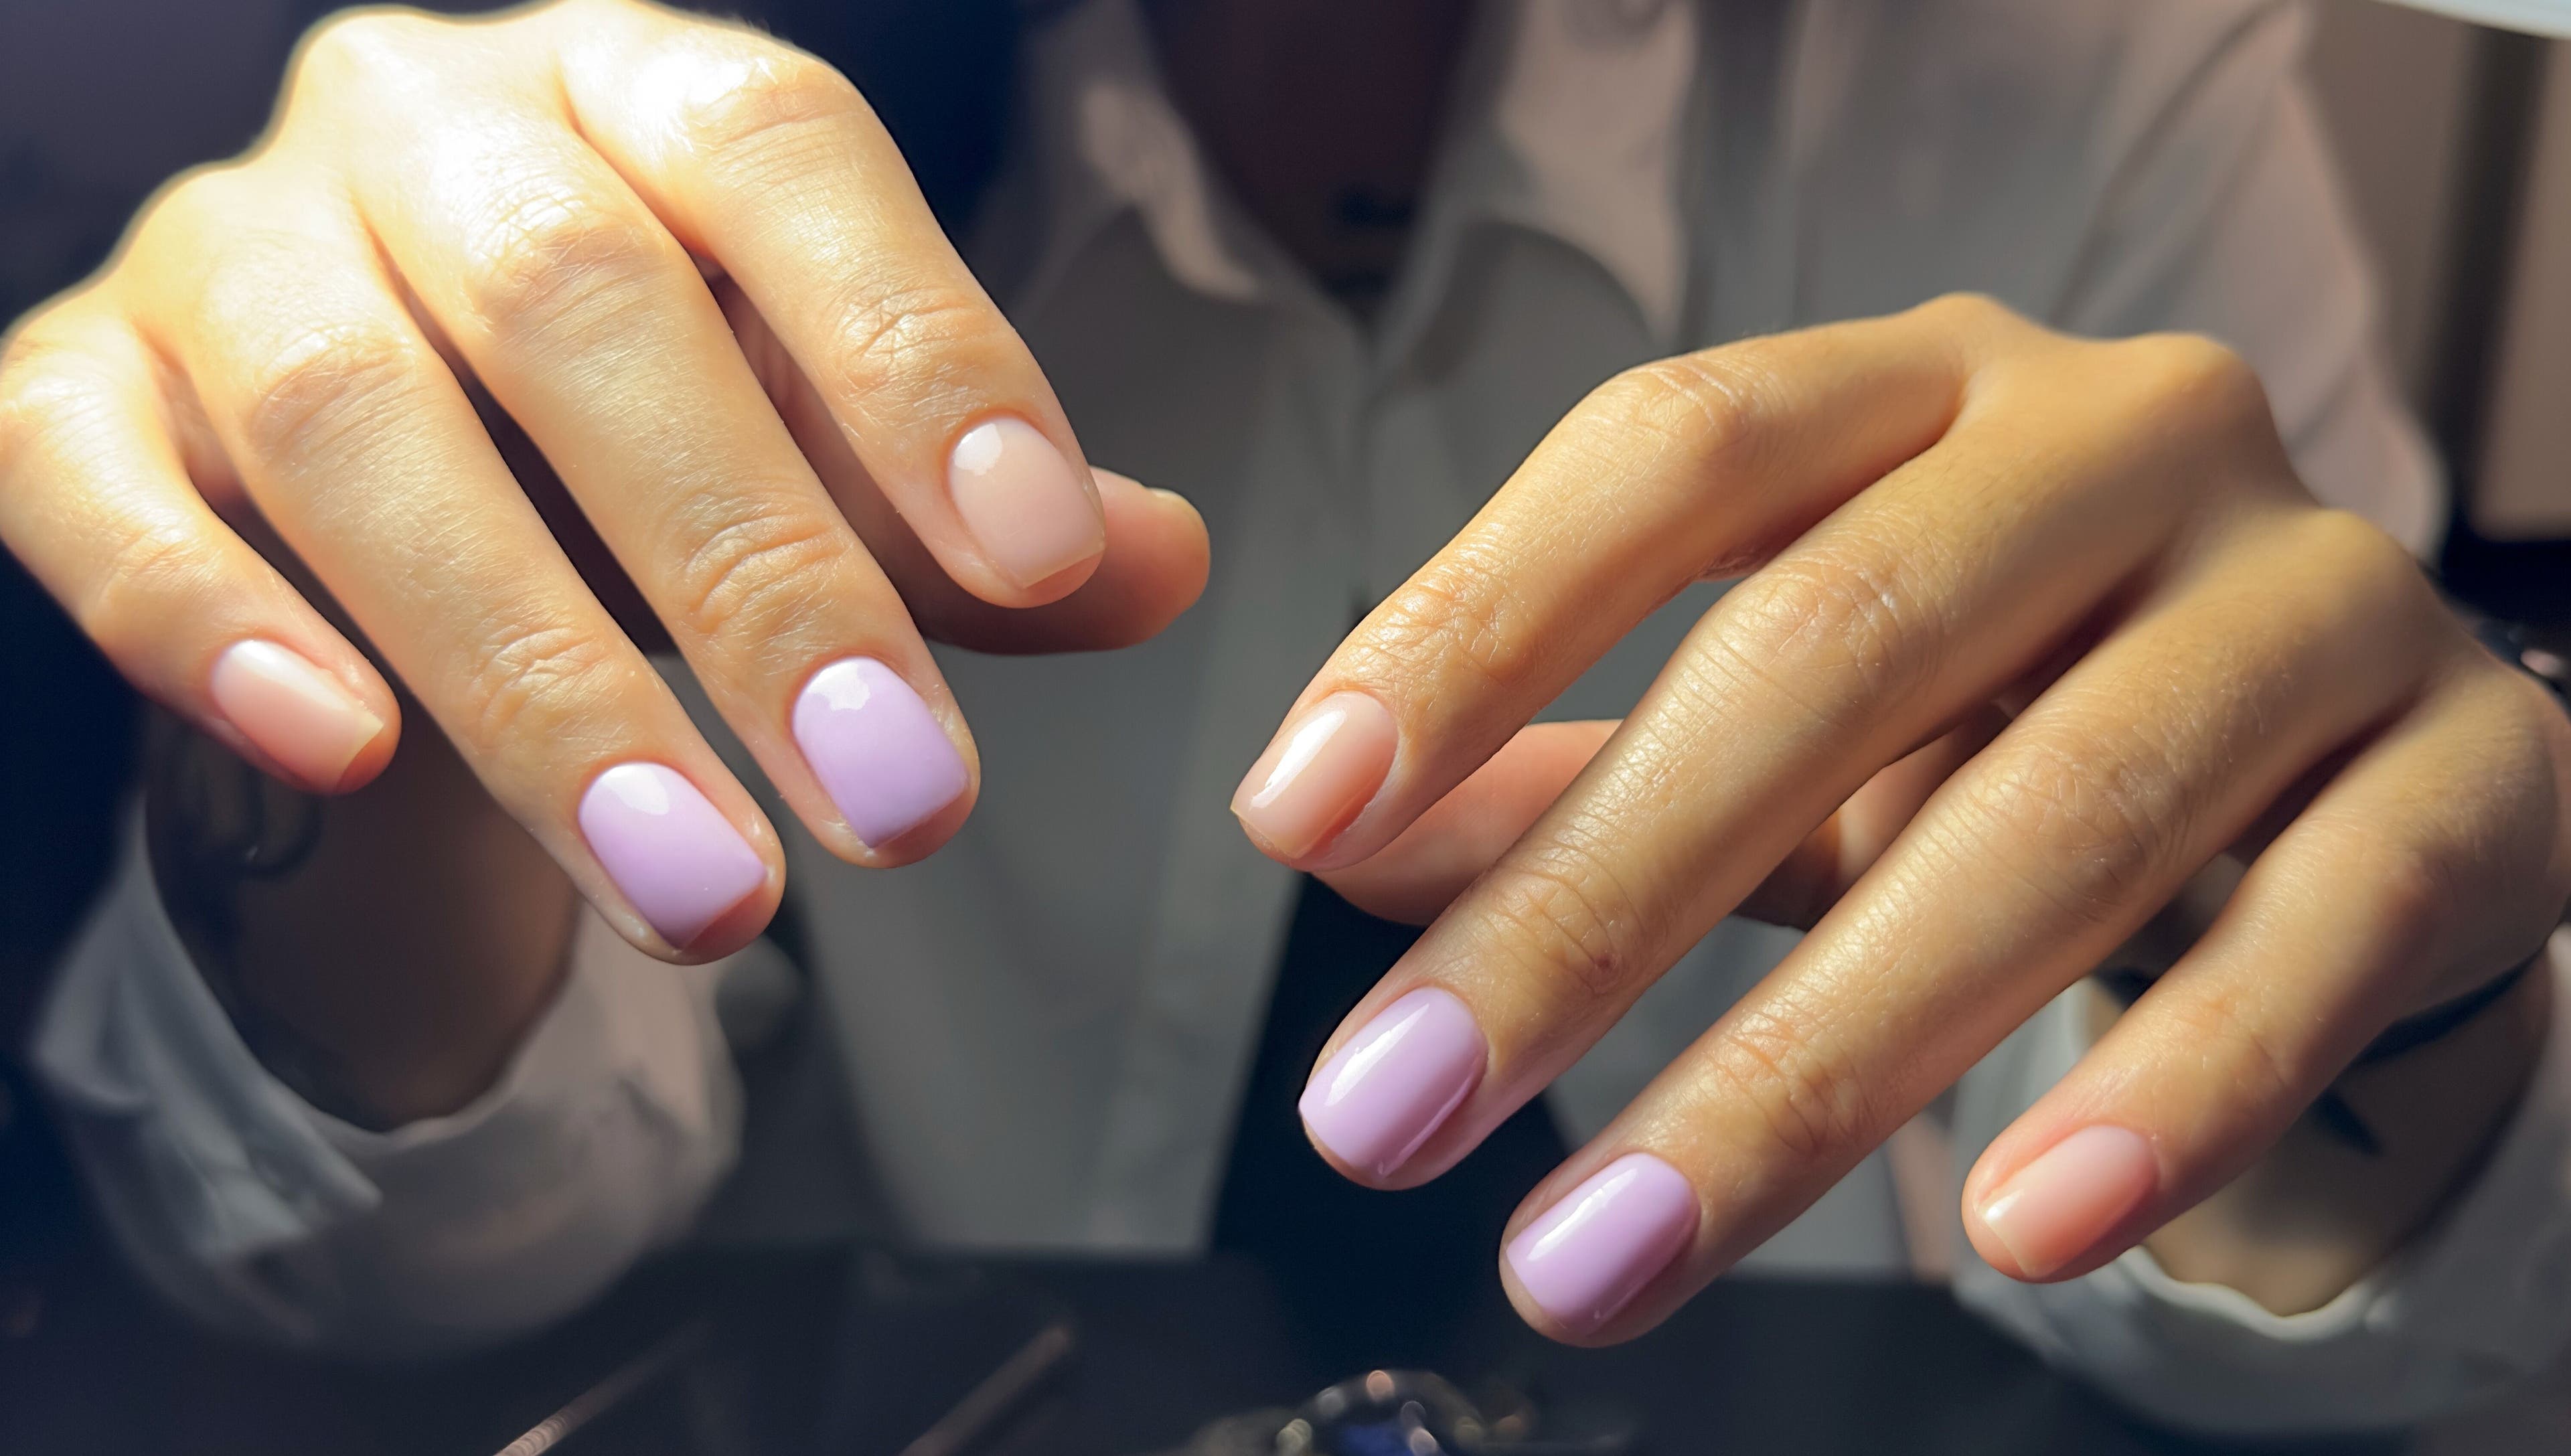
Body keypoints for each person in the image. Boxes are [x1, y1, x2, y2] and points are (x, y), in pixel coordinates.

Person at [3, 0, 2569, 1434]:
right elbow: (408, 1271)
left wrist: (2389, 994)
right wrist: (350, 722)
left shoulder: (2107, 76)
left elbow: (2216, 1284)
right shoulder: (617, 118)